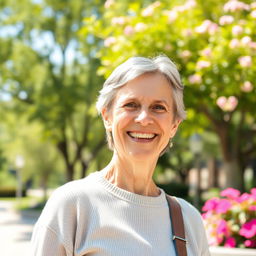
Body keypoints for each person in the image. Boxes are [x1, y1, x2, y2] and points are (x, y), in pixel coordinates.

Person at [31, 56, 210, 256]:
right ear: (107, 116)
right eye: (131, 105)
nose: (144, 119)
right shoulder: (72, 206)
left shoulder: (188, 220)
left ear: (174, 125)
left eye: (158, 107)